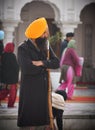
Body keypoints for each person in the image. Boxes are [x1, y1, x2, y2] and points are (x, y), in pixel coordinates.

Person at [17, 17, 59, 129]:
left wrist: (41, 63)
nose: (46, 36)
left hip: (44, 91)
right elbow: (27, 69)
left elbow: (56, 63)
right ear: (37, 33)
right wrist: (45, 67)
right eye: (44, 33)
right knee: (30, 122)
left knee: (44, 122)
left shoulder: (45, 45)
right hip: (30, 91)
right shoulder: (23, 48)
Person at [0, 42, 19, 108]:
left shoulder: (2, 56)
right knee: (12, 92)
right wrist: (17, 79)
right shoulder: (12, 56)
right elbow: (16, 68)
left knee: (4, 91)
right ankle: (10, 105)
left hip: (4, 78)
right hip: (12, 79)